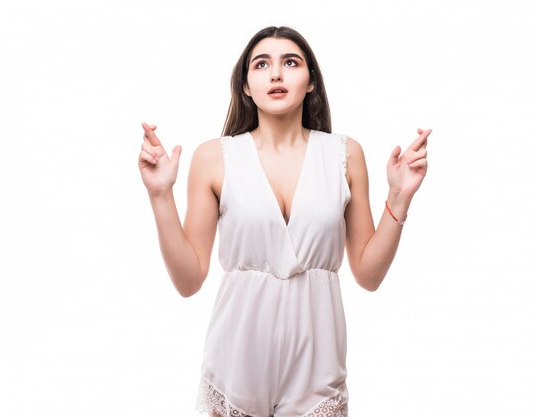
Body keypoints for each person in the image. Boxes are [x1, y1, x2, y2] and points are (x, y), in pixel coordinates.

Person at [138, 26, 430, 417]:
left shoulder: (345, 154)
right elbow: (189, 280)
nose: (276, 74)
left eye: (290, 62)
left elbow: (368, 275)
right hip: (234, 364)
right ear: (246, 85)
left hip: (317, 368)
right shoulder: (214, 157)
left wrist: (399, 197)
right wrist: (160, 195)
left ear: (310, 81)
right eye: (262, 64)